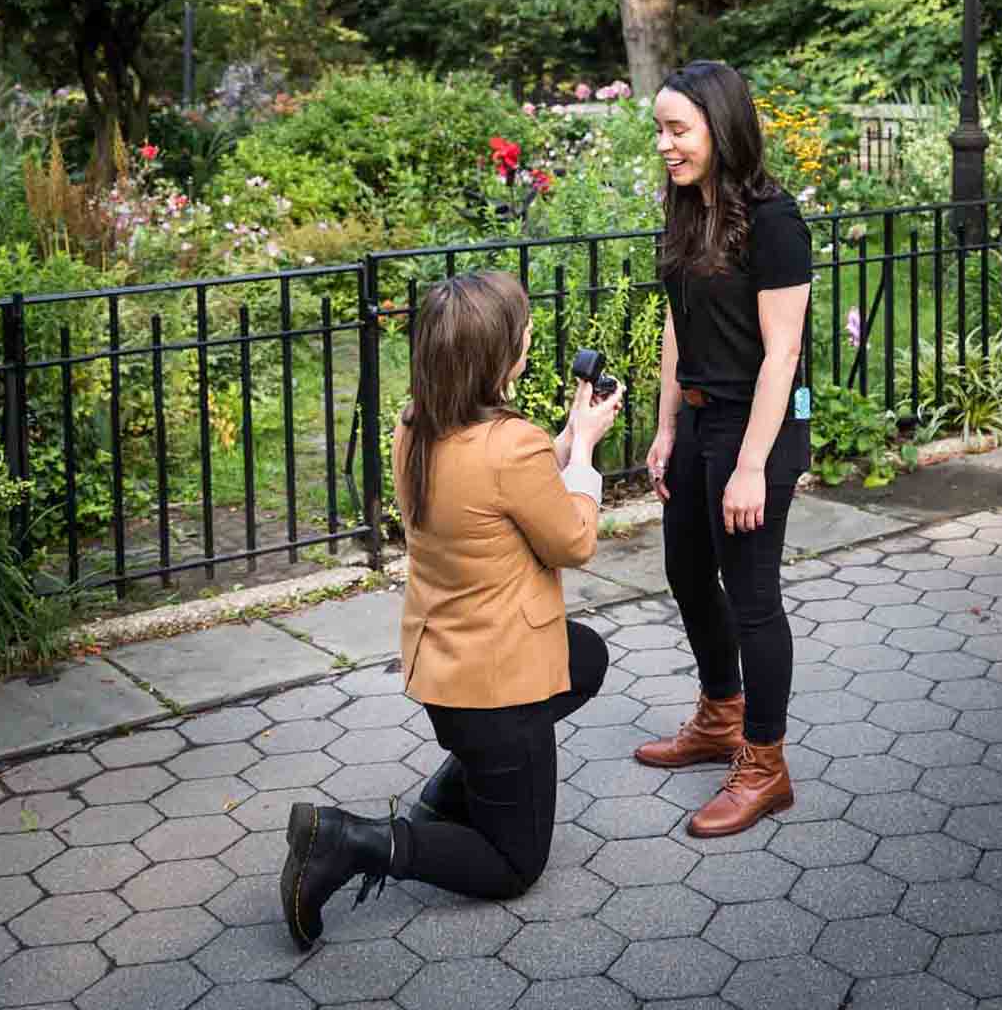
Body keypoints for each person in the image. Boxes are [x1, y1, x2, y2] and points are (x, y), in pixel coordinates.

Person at [281, 269, 620, 948]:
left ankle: (448, 794)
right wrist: (582, 451)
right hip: (498, 690)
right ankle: (354, 842)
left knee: (584, 656)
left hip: (446, 667)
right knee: (513, 863)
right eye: (521, 331)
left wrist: (561, 436)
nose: (528, 337)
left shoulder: (418, 422)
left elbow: (496, 486)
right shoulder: (508, 445)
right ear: (499, 355)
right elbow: (574, 540)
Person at [634, 60, 813, 838]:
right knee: (683, 570)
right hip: (702, 421)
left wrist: (749, 467)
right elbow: (680, 322)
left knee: (753, 597)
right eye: (661, 131)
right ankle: (719, 714)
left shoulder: (775, 221)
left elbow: (783, 355)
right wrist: (667, 425)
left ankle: (765, 763)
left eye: (679, 130)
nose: (667, 146)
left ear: (721, 125)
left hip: (757, 431)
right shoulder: (685, 209)